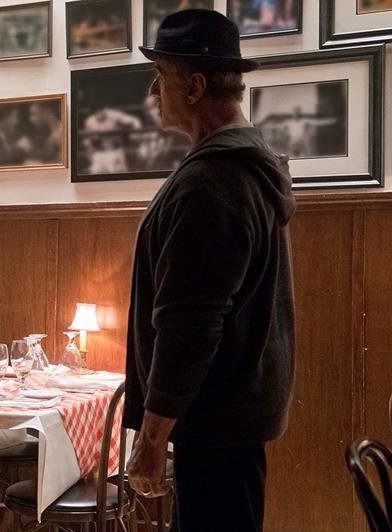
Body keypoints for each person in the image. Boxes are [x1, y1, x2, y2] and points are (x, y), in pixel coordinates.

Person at [124, 10, 296, 531]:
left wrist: (151, 439)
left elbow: (190, 326)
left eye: (162, 76)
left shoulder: (211, 183)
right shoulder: (241, 167)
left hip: (215, 424)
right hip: (228, 423)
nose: (154, 91)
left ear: (195, 86)